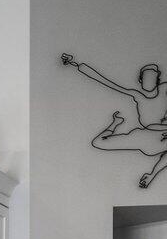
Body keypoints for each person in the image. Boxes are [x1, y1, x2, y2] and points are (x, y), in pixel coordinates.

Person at [63, 54, 167, 188]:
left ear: (158, 80)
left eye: (152, 78)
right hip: (145, 137)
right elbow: (107, 82)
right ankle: (115, 123)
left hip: (159, 135)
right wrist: (76, 64)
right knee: (98, 142)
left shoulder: (164, 89)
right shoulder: (137, 95)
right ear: (140, 81)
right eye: (146, 78)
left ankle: (151, 174)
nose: (149, 82)